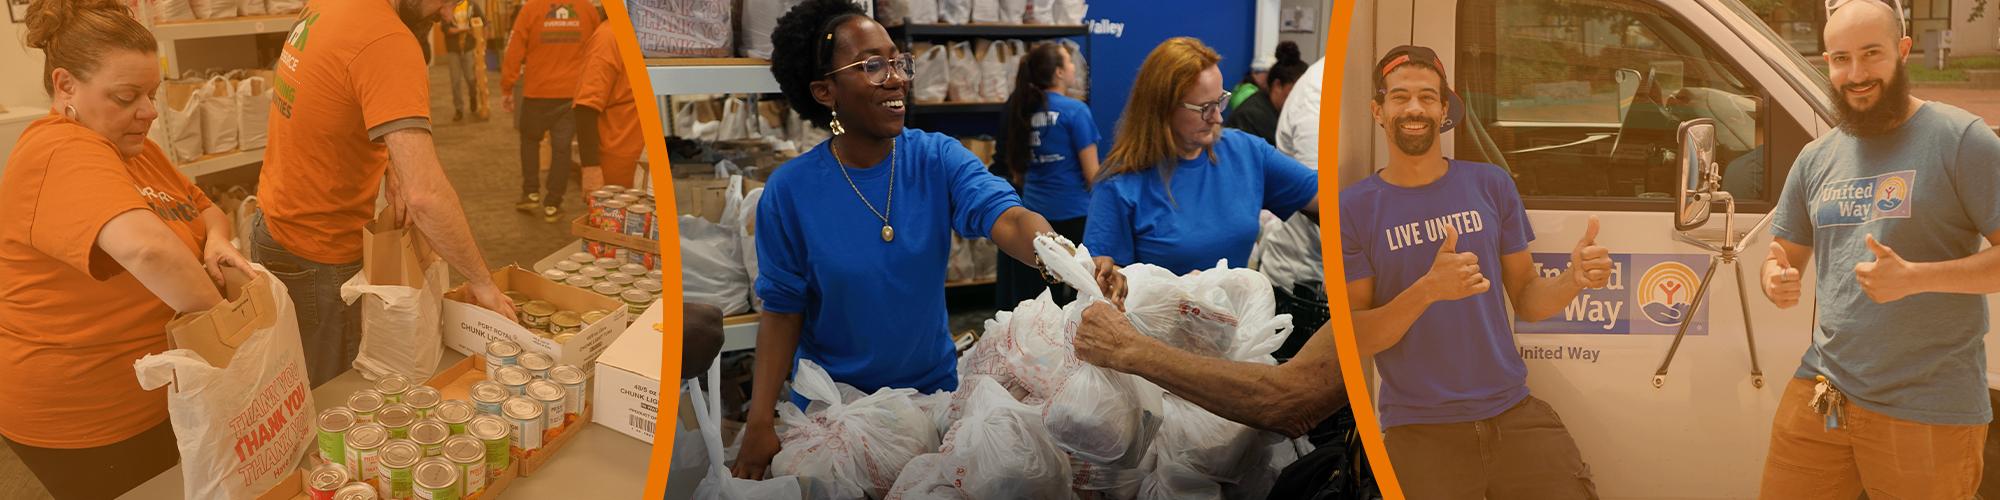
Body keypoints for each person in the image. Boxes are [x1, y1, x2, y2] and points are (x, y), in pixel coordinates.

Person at [730, 0, 1086, 480]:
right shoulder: (790, 192)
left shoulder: (935, 159)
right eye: (872, 66)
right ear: (824, 90)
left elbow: (1008, 217)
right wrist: (758, 421)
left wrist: (1063, 257)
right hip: (836, 413)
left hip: (932, 402)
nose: (896, 78)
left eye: (898, 62)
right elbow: (781, 310)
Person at [1340, 45, 1613, 499]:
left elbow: (1525, 295)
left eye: (1428, 97)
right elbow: (1355, 337)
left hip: (1514, 414)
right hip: (1420, 430)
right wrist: (1427, 290)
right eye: (1400, 96)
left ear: (1444, 109)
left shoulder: (1490, 184)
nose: (1414, 109)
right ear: (1377, 109)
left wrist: (1573, 281)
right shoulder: (1353, 208)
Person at [0, 0, 249, 496]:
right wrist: (236, 341)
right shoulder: (62, 147)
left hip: (155, 394)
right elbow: (149, 251)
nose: (149, 111)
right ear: (65, 85)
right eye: (126, 95)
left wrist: (215, 242)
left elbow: (204, 208)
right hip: (89, 415)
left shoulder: (135, 148)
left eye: (151, 94)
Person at [1756, 1, 2000, 496]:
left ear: (1903, 51)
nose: (1857, 73)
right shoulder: (1816, 158)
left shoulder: (1961, 139)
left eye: (1872, 54)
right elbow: (1782, 255)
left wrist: (1916, 279)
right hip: (1823, 393)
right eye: (1842, 58)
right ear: (1827, 63)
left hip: (1927, 404)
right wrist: (1776, 280)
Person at [257, 0, 517, 387]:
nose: (447, 15)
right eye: (448, 1)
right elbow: (426, 195)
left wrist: (392, 162)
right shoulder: (387, 40)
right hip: (320, 254)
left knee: (297, 381)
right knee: (333, 399)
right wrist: (482, 282)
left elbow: (340, 92)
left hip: (275, 224)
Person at [1083, 37, 1320, 277]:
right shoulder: (1120, 183)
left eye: (1220, 101)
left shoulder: (1246, 152)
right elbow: (1104, 284)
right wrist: (1173, 293)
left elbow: (1325, 198)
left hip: (1236, 311)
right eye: (1205, 108)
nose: (1217, 118)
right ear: (1163, 109)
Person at [993, 42, 1100, 309]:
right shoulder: (1076, 111)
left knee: (1038, 305)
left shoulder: (1022, 107)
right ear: (1059, 73)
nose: (1074, 66)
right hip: (1075, 216)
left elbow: (1017, 171)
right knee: (1079, 301)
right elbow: (1092, 176)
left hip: (1034, 219)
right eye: (1069, 61)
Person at [499, 0, 599, 222]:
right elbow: (597, 48)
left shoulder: (531, 9)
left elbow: (514, 49)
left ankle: (530, 193)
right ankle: (553, 204)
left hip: (538, 93)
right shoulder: (587, 9)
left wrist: (507, 87)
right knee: (561, 149)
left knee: (529, 140)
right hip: (571, 93)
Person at [574, 7, 641, 194]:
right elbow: (585, 107)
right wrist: (591, 169)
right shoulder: (609, 37)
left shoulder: (645, 37)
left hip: (638, 169)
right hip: (617, 176)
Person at [1224, 41, 1308, 144]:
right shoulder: (1253, 116)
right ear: (1278, 85)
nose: (1300, 98)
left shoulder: (1275, 109)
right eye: (1295, 91)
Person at [442, 0, 486, 123]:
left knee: (471, 78)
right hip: (453, 49)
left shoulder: (472, 5)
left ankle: (473, 97)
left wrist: (482, 40)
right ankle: (459, 109)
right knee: (455, 80)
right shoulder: (448, 6)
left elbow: (483, 22)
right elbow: (447, 30)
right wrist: (465, 29)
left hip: (468, 48)